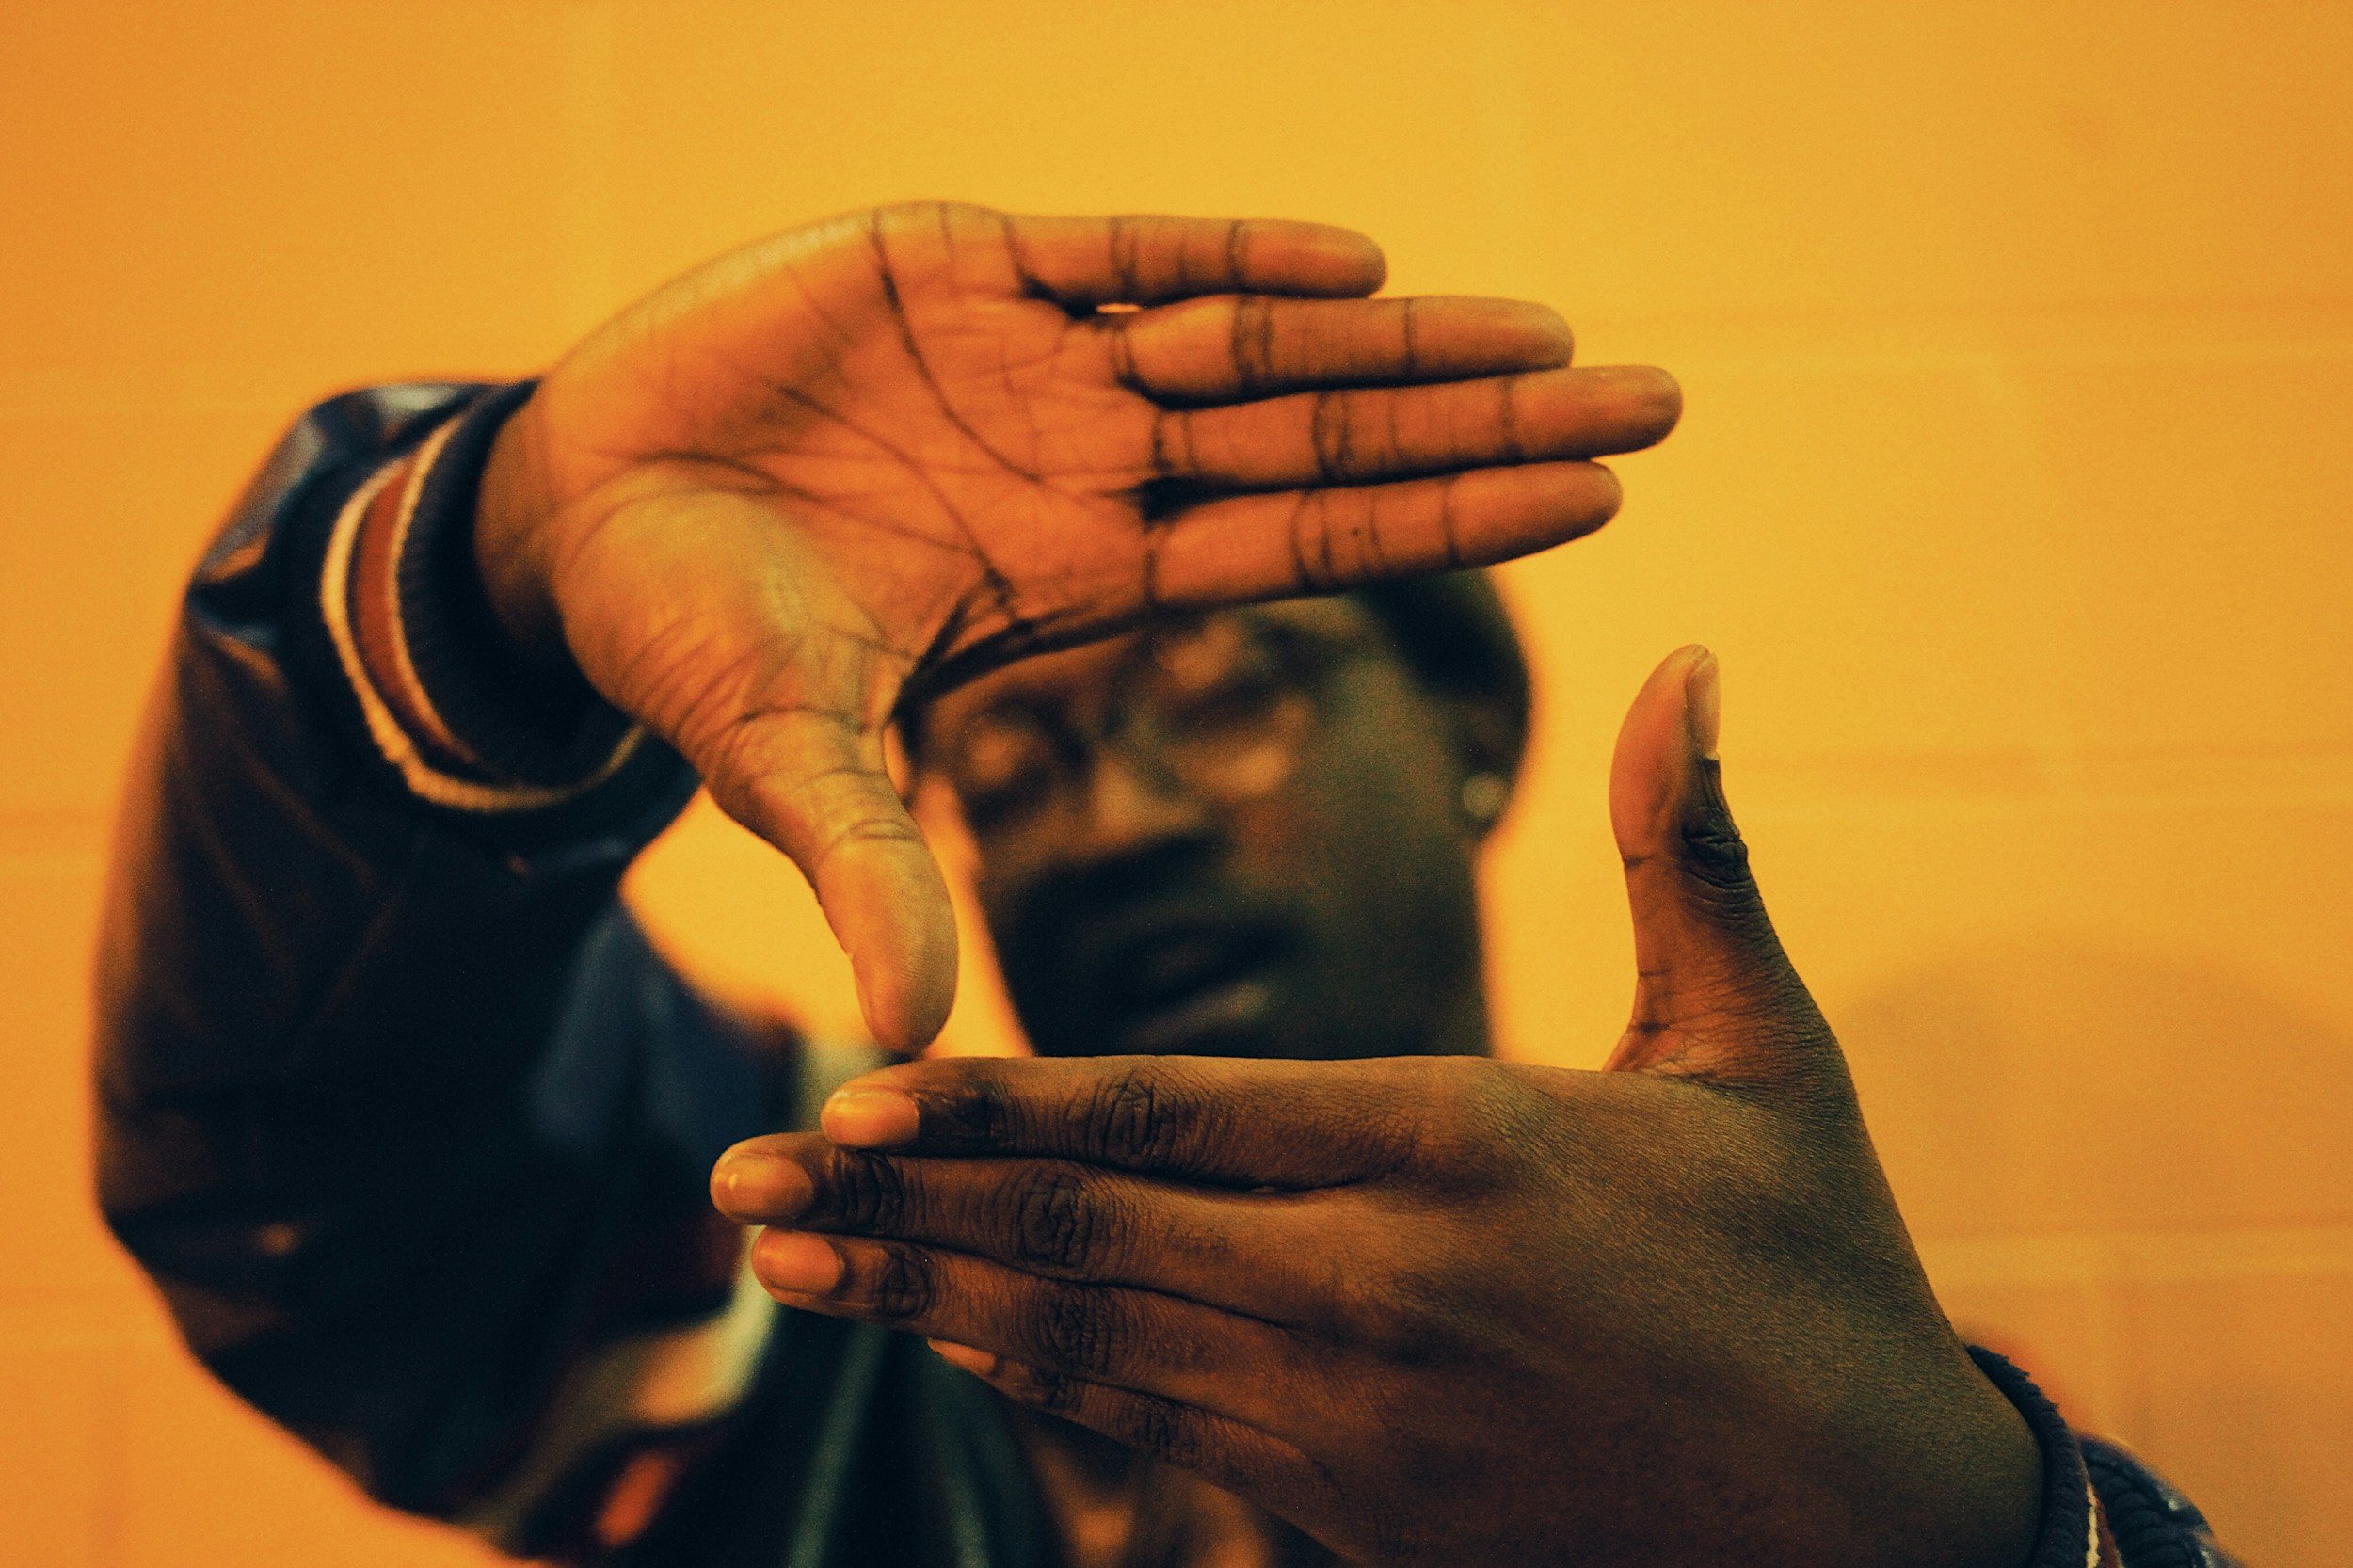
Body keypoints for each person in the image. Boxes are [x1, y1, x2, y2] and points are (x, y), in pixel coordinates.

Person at [91, 203, 2235, 1568]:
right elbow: (295, 1166)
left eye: (1219, 699)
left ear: (1466, 718)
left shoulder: (1764, 1406)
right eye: (1009, 760)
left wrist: (1973, 1535)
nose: (1103, 822)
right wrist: (479, 563)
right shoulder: (794, 1304)